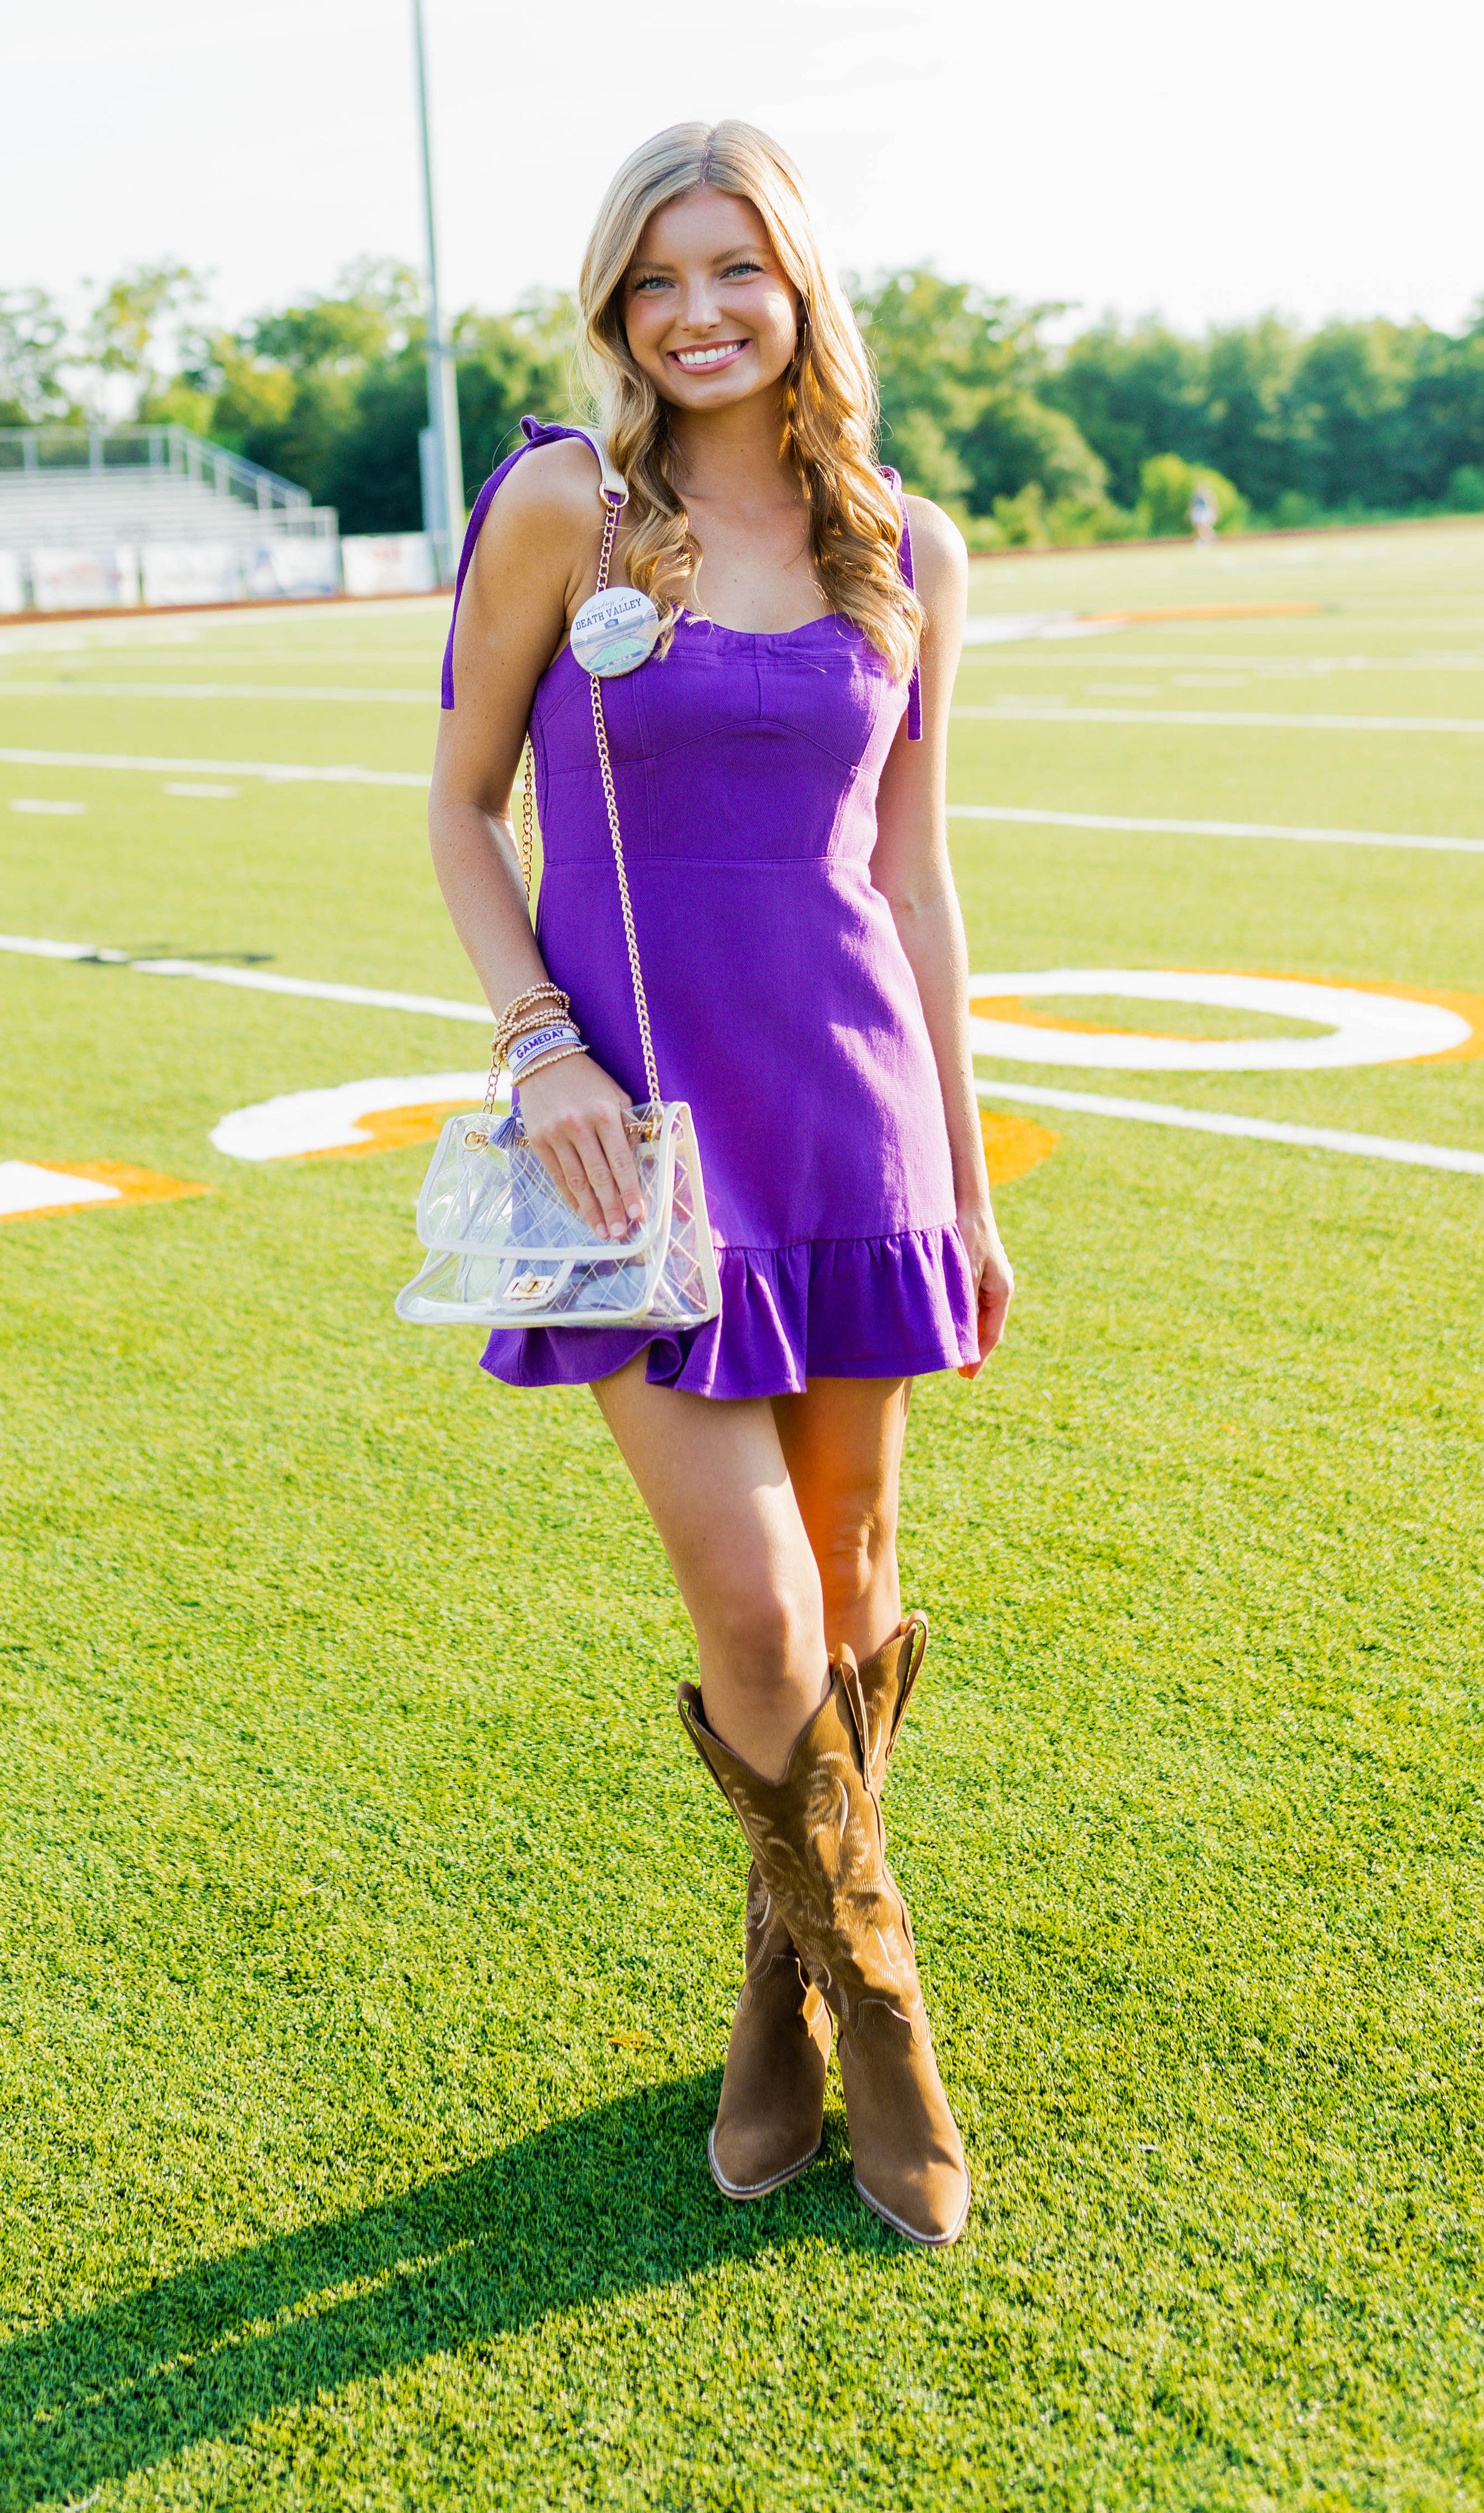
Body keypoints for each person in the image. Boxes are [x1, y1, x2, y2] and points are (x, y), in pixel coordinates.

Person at [429, 118, 1012, 2248]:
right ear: (615, 306)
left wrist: (965, 1174)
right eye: (656, 277)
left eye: (734, 271)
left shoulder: (904, 544)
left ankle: (778, 2006)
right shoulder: (569, 509)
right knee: (759, 1607)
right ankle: (894, 2034)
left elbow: (918, 878)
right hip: (635, 1142)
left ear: (799, 292)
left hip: (852, 1125)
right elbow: (456, 811)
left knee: (853, 1597)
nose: (696, 311)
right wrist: (540, 1044)